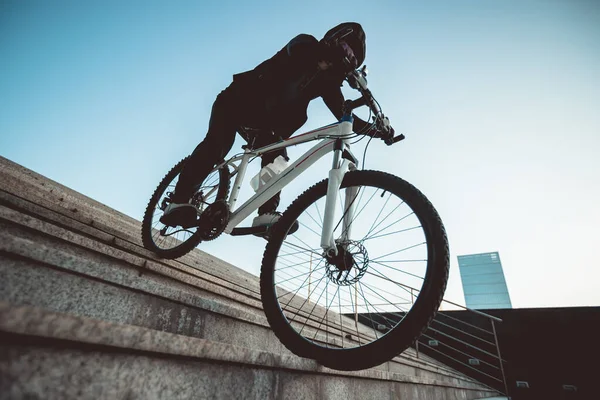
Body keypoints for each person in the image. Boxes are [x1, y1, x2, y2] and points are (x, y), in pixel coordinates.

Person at [161, 22, 374, 230]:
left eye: (353, 58)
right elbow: (298, 53)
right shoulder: (306, 44)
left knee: (278, 158)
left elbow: (345, 116)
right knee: (218, 144)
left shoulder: (326, 83)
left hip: (266, 125)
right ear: (335, 38)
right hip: (237, 101)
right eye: (347, 49)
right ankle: (178, 201)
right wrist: (325, 62)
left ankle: (265, 215)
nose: (348, 57)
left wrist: (375, 129)